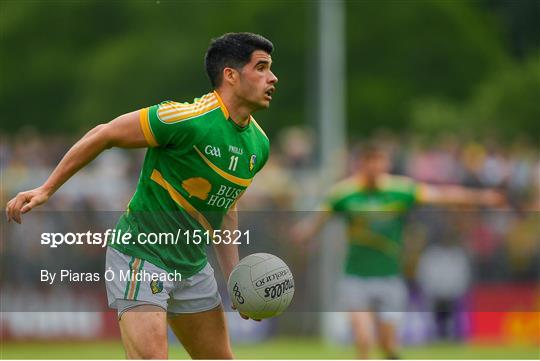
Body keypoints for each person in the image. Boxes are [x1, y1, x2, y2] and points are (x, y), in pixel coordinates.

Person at [6, 32, 278, 359]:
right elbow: (104, 133)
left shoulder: (258, 145)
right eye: (261, 67)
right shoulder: (185, 119)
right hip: (140, 256)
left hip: (192, 267)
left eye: (270, 69)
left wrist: (235, 278)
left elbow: (226, 209)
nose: (272, 77)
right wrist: (46, 188)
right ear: (230, 75)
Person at [292, 144, 504, 359]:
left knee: (388, 346)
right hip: (355, 278)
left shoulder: (401, 190)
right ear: (360, 165)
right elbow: (319, 218)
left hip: (389, 278)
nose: (374, 167)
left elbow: (443, 194)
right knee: (364, 341)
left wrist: (482, 197)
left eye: (379, 161)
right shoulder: (344, 193)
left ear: (387, 164)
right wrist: (304, 233)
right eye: (369, 161)